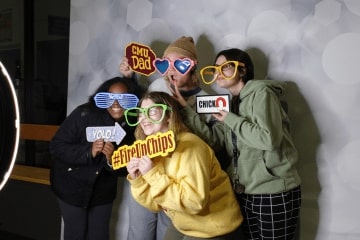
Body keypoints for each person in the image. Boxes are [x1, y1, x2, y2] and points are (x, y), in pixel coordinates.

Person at [171, 48, 301, 240]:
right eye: (215, 69)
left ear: (243, 70)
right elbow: (215, 140)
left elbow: (268, 139)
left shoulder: (262, 94)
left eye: (226, 67)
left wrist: (229, 119)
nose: (219, 73)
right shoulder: (230, 104)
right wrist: (185, 110)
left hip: (273, 191)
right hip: (244, 192)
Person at [119, 36, 220, 240]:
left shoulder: (207, 101)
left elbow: (213, 145)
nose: (170, 71)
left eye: (180, 65)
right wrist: (129, 79)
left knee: (166, 234)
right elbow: (142, 118)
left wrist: (183, 107)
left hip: (175, 181)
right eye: (165, 64)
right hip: (145, 170)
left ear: (192, 67)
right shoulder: (157, 85)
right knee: (139, 233)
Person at [124, 91, 243, 240]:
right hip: (184, 222)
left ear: (169, 116)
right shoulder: (152, 149)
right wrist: (138, 180)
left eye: (152, 111)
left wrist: (152, 174)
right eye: (141, 113)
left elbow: (195, 203)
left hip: (214, 227)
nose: (144, 118)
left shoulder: (191, 146)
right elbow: (156, 205)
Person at [49, 76, 143, 240]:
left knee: (99, 236)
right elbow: (56, 147)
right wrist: (88, 152)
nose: (116, 104)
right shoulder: (84, 114)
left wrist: (112, 159)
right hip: (71, 187)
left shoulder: (133, 125)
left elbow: (125, 169)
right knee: (76, 234)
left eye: (123, 99)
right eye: (110, 98)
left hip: (102, 193)